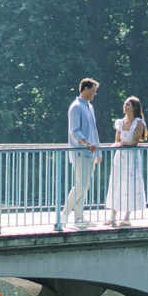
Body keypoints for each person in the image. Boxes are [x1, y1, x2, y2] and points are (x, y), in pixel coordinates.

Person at [62, 78, 101, 229]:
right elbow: (74, 131)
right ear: (85, 89)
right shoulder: (76, 107)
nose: (94, 94)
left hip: (90, 153)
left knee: (85, 186)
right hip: (80, 152)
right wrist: (87, 143)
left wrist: (98, 150)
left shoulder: (89, 107)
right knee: (81, 185)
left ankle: (79, 217)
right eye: (93, 91)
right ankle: (64, 214)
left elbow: (93, 130)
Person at [105, 96, 148, 226]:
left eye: (127, 105)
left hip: (132, 156)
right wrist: (119, 144)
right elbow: (117, 140)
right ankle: (113, 216)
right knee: (116, 182)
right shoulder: (120, 122)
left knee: (130, 184)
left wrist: (125, 144)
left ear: (134, 108)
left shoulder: (138, 123)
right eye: (124, 104)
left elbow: (135, 141)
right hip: (120, 156)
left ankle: (127, 217)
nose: (125, 107)